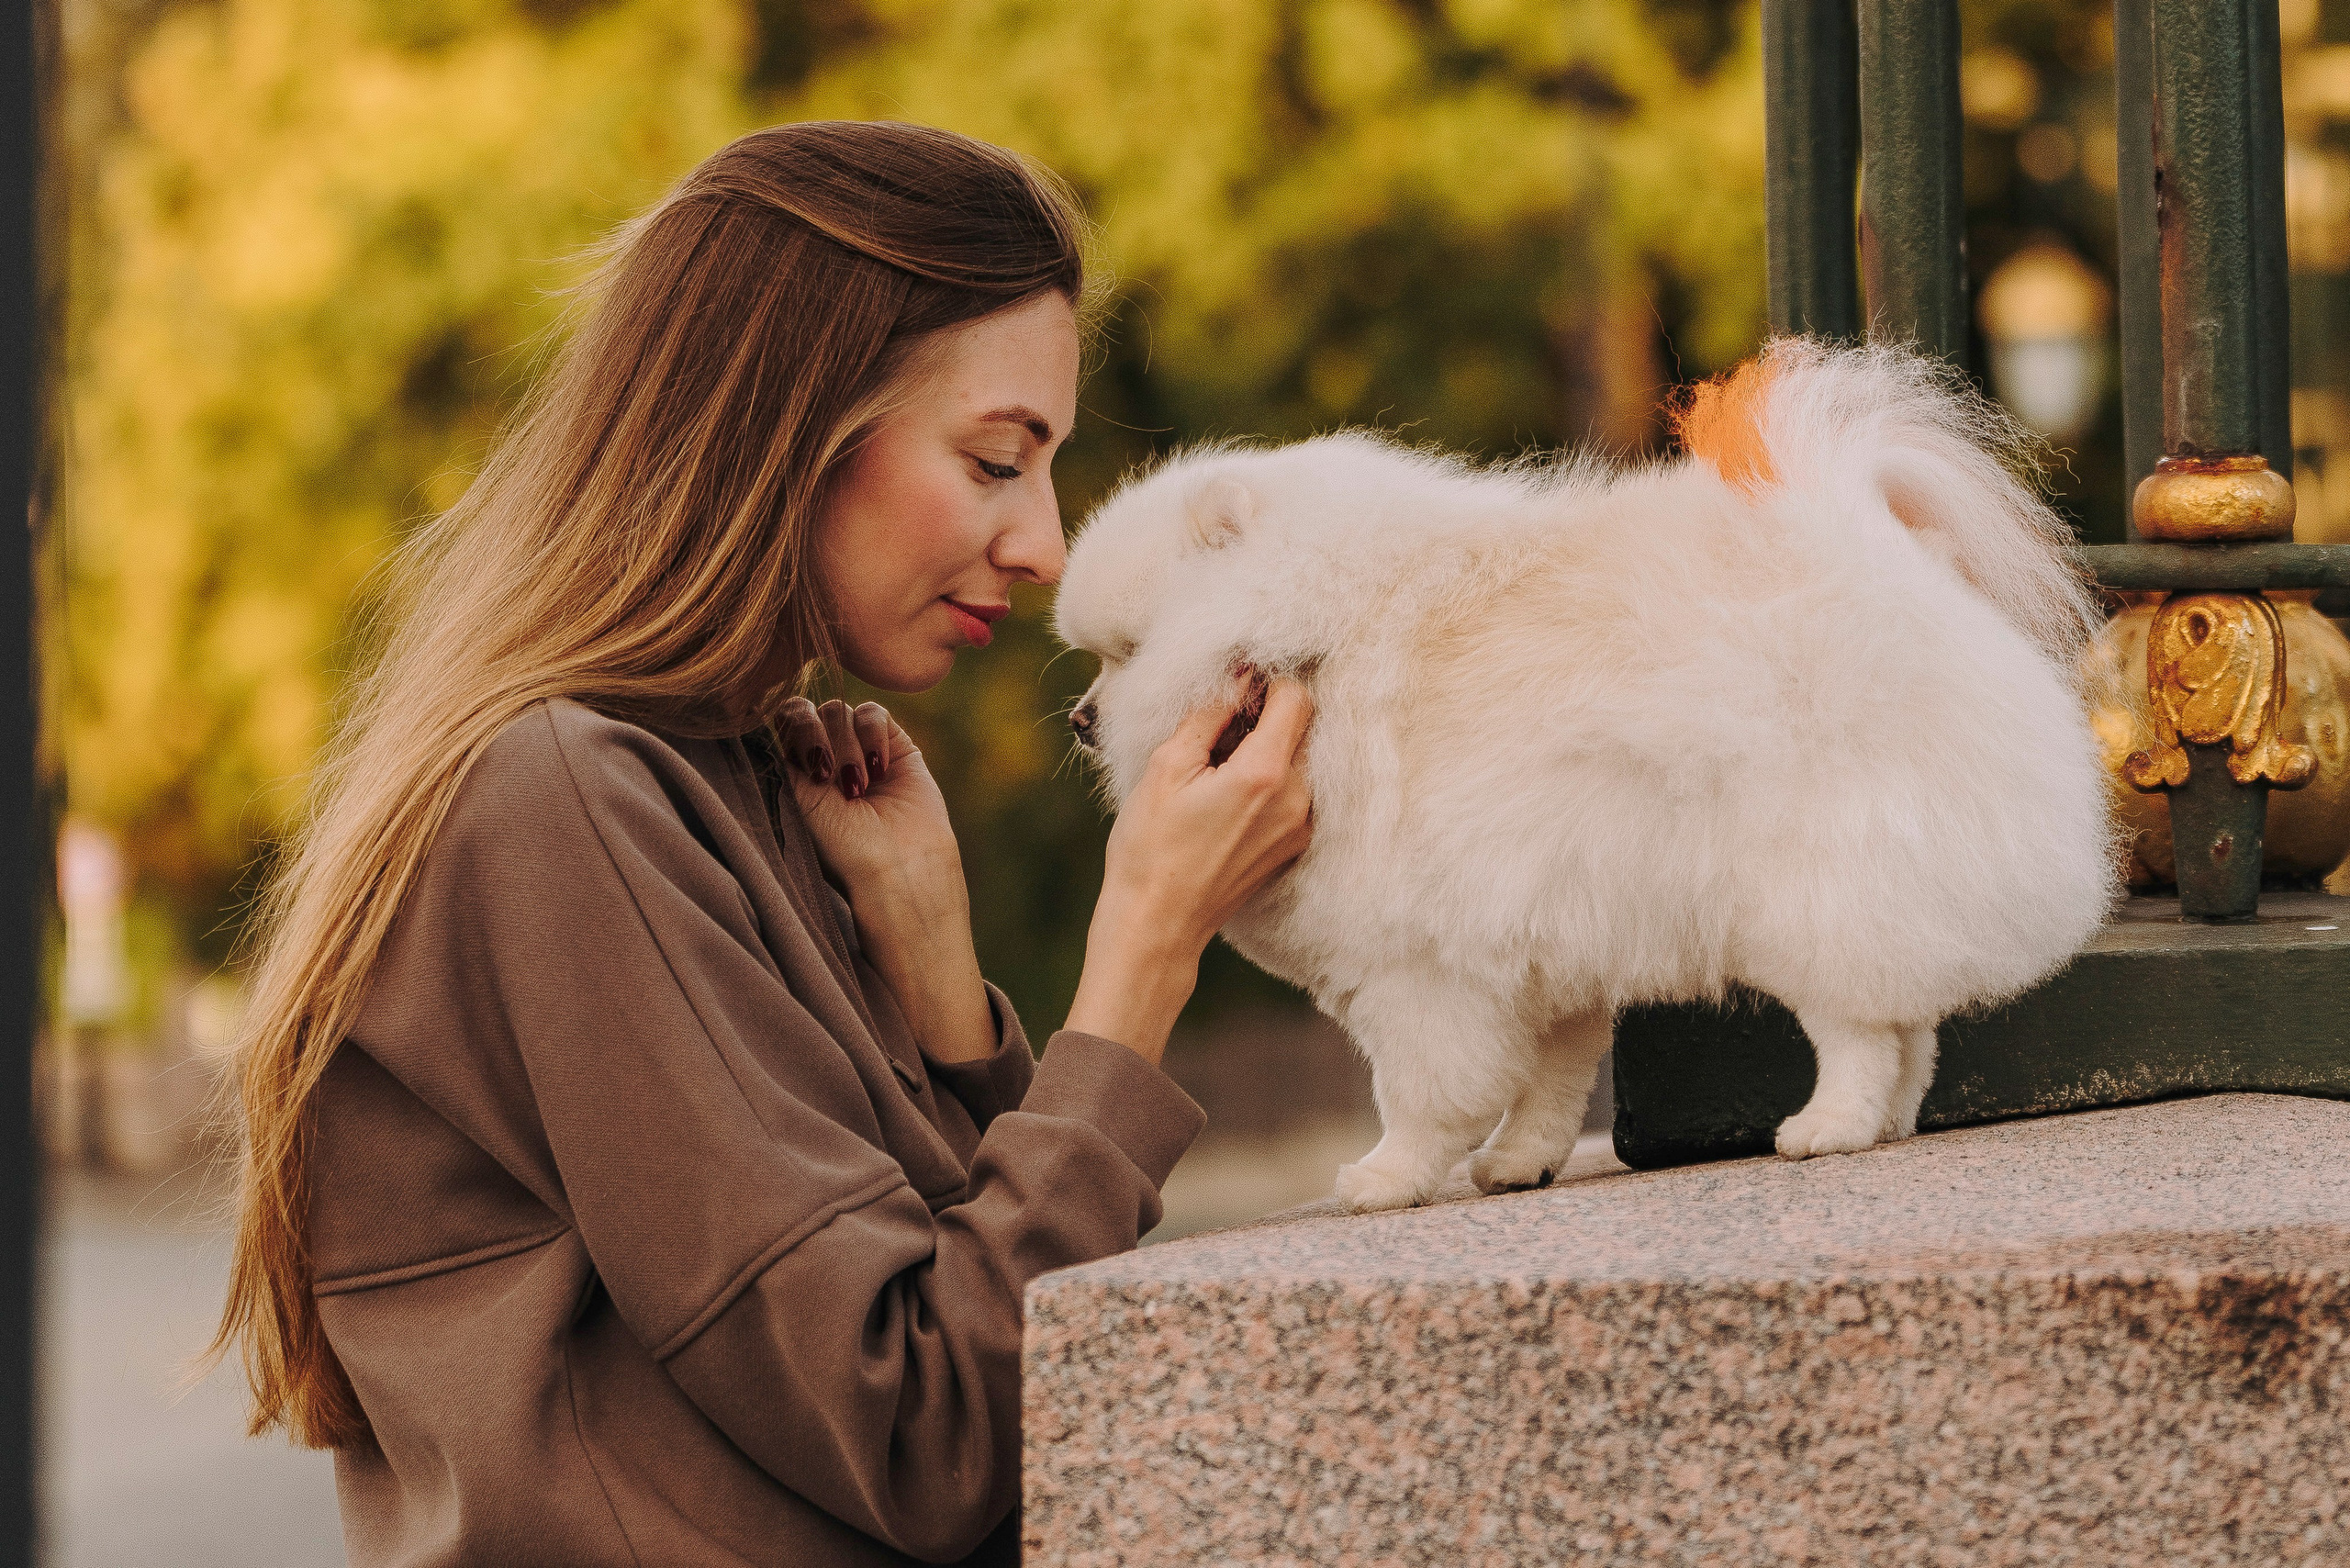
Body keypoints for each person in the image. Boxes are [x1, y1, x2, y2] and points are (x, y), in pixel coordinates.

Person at [209, 120, 1314, 1566]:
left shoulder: (753, 782)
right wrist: (1146, 945)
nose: (1043, 544)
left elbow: (1003, 1338)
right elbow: (930, 1436)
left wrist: (939, 991)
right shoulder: (562, 800)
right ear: (793, 423)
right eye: (994, 460)